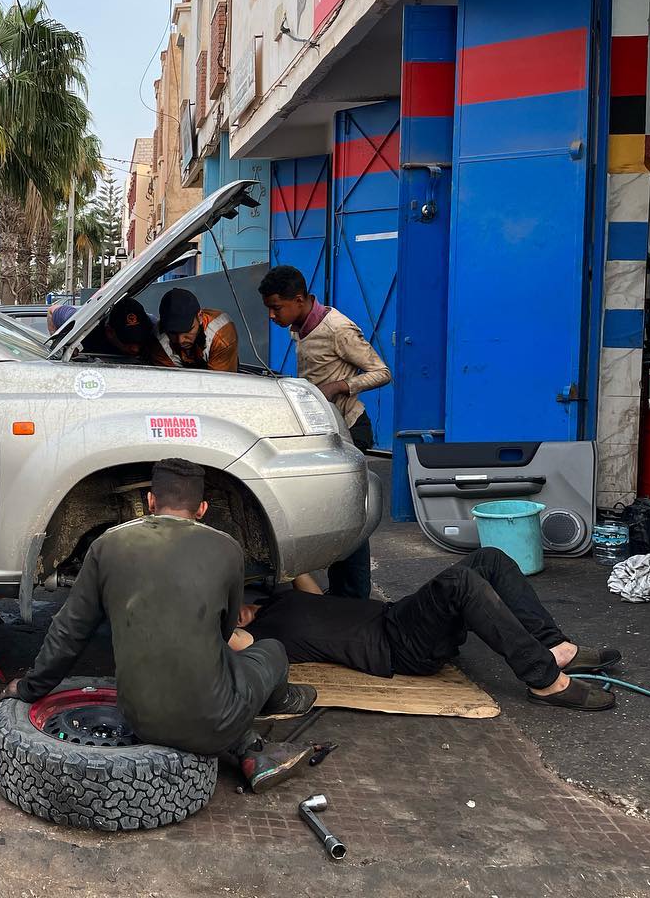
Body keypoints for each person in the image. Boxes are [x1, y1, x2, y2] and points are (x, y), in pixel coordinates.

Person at [2, 458, 319, 792]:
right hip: (215, 722)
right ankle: (283, 704)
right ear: (203, 508)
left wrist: (29, 688)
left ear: (150, 502)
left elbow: (68, 632)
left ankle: (252, 750)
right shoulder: (228, 550)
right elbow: (225, 632)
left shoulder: (106, 546)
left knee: (207, 674)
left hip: (138, 720)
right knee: (271, 651)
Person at [231, 548, 620, 711]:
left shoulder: (277, 601)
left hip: (396, 616)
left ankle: (556, 648)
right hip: (397, 646)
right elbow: (229, 642)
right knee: (459, 585)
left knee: (489, 559)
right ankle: (544, 680)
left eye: (237, 606)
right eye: (228, 619)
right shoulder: (260, 638)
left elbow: (303, 579)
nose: (239, 616)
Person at [259, 265, 390, 600]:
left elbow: (382, 372)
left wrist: (341, 384)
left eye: (277, 308)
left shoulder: (338, 328)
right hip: (325, 430)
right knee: (331, 510)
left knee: (350, 515)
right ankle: (342, 593)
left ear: (299, 300)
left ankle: (353, 597)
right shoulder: (300, 326)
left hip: (350, 429)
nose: (273, 316)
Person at [155, 289, 238, 371]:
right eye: (173, 333)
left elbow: (221, 382)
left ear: (200, 316)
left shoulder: (221, 333)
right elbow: (169, 381)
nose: (180, 340)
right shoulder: (157, 341)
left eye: (187, 331)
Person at [82, 297, 164, 364]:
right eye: (127, 342)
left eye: (141, 339)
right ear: (109, 332)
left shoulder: (154, 328)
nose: (136, 349)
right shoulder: (88, 336)